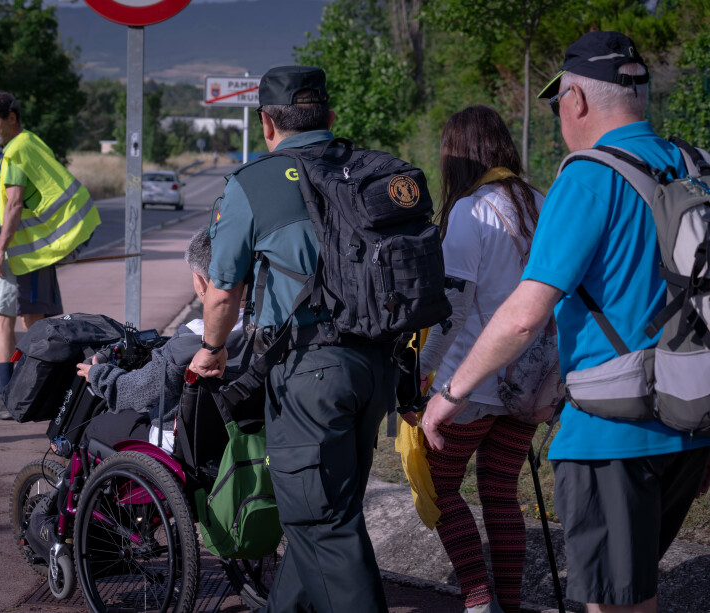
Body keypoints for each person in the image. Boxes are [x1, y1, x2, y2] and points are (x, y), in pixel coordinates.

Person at [422, 32, 710, 612]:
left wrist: (449, 391)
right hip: (691, 419)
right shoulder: (694, 164)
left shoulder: (587, 177)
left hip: (612, 434)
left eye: (559, 107)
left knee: (614, 606)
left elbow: (525, 315)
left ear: (575, 101)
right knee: (636, 593)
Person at [189, 65, 398, 613]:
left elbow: (222, 290)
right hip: (377, 367)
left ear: (267, 123)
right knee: (326, 508)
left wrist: (211, 351)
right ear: (329, 116)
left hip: (310, 372)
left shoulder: (252, 184)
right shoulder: (370, 170)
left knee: (319, 521)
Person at [414, 105, 545, 613]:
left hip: (465, 383)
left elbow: (453, 309)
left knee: (440, 487)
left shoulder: (473, 210)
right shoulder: (542, 202)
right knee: (500, 491)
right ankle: (507, 603)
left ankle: (476, 598)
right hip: (528, 381)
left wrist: (424, 370)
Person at [0, 91, 100, 420]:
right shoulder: (29, 143)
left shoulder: (15, 152)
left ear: (11, 118)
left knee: (10, 324)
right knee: (37, 324)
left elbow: (13, 205)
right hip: (30, 253)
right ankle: (48, 391)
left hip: (17, 256)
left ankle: (10, 396)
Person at [74, 229, 248, 449]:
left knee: (97, 428)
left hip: (181, 444)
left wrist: (99, 377)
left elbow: (140, 390)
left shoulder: (193, 338)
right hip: (238, 439)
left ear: (201, 283)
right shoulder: (268, 330)